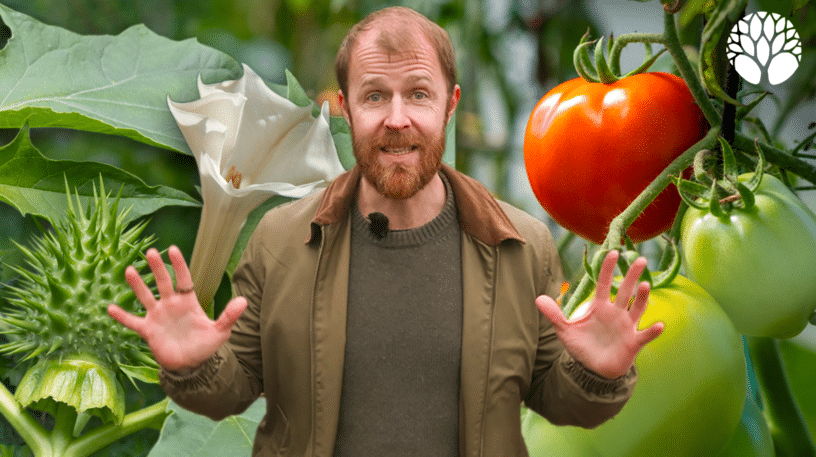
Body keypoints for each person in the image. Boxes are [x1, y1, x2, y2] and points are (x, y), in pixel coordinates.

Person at [108, 6, 664, 456]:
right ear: (345, 109)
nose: (397, 118)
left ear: (451, 105)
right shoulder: (281, 239)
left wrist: (596, 374)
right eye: (375, 96)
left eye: (418, 94)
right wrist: (194, 363)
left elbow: (553, 402)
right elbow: (238, 387)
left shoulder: (520, 242)